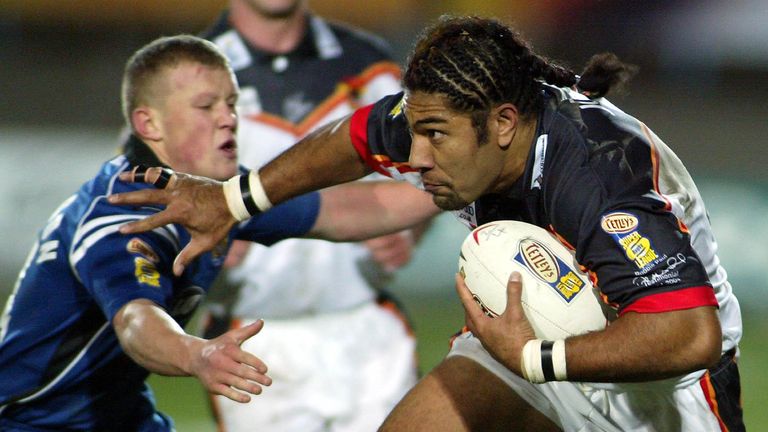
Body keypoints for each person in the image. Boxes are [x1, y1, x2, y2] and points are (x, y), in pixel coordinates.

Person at [110, 15, 745, 432]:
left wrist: (538, 355)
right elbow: (353, 138)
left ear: (501, 125)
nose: (414, 158)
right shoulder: (443, 114)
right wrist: (235, 200)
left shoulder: (599, 175)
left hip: (657, 386)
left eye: (435, 137)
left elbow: (689, 334)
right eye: (414, 132)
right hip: (526, 344)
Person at [0, 34, 437, 431]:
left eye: (232, 103)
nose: (228, 119)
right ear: (149, 124)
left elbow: (338, 212)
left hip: (119, 412)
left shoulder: (212, 198)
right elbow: (136, 321)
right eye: (206, 106)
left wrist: (457, 188)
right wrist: (198, 353)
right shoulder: (122, 215)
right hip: (33, 422)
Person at [197, 2, 427, 430]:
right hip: (251, 336)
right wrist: (199, 242)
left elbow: (429, 162)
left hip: (367, 329)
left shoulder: (369, 63)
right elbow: (150, 186)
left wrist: (412, 228)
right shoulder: (191, 70)